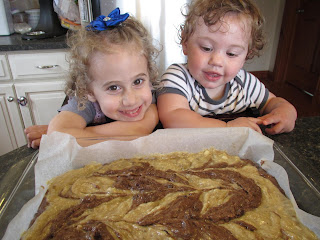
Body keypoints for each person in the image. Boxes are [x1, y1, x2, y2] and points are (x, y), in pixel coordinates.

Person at [25, 8, 160, 148]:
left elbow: (139, 130)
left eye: (137, 81)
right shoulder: (85, 104)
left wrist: (79, 134)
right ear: (88, 91)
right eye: (113, 87)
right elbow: (58, 135)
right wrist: (59, 135)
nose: (131, 100)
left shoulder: (152, 95)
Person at [157, 0, 297, 135]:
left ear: (246, 56)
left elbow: (272, 102)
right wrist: (227, 127)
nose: (217, 61)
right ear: (185, 43)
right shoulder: (177, 77)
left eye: (231, 53)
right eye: (206, 48)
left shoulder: (244, 83)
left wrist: (286, 111)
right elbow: (173, 118)